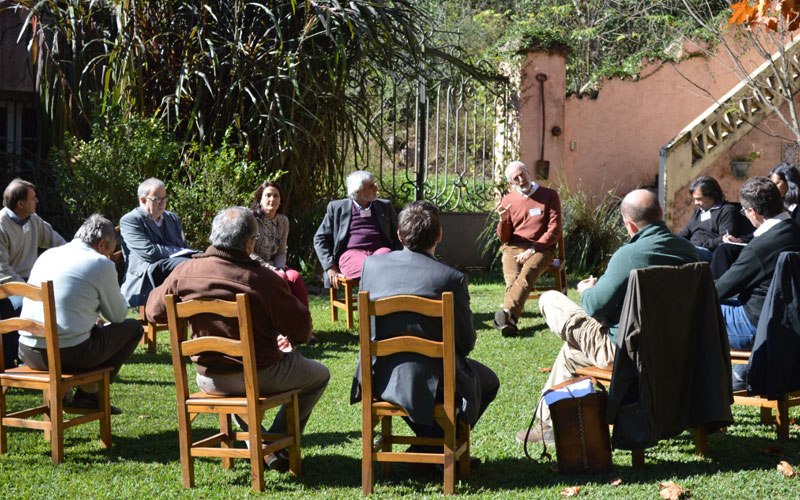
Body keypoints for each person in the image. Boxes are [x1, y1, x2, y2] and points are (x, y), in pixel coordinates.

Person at [146, 207, 329, 471]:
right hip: (259, 375)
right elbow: (301, 330)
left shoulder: (184, 272)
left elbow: (153, 312)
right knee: (319, 374)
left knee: (236, 381)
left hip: (208, 379)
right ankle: (275, 443)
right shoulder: (261, 278)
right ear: (249, 244)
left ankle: (266, 447)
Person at [517, 189, 698, 445]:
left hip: (626, 353)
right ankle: (548, 424)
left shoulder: (629, 255)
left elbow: (595, 308)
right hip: (674, 351)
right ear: (660, 215)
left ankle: (549, 426)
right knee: (571, 353)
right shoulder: (689, 252)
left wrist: (587, 290)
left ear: (629, 224)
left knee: (550, 299)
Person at [350, 200, 499, 464]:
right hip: (431, 381)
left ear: (399, 235)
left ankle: (428, 450)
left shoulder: (370, 267)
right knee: (488, 381)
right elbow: (465, 343)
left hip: (378, 376)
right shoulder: (451, 278)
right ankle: (438, 450)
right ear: (439, 235)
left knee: (437, 377)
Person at [17, 215, 142, 414]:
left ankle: (79, 392)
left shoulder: (48, 255)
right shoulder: (101, 263)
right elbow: (118, 316)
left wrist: (90, 317)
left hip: (28, 351)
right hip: (66, 355)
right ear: (102, 245)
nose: (109, 257)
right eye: (110, 252)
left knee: (87, 333)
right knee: (134, 328)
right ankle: (90, 393)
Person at [716, 177, 800, 355]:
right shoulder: (795, 230)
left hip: (758, 324)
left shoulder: (760, 246)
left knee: (693, 312)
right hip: (789, 320)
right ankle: (742, 375)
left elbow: (719, 290)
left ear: (752, 212)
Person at [0, 178, 66, 369]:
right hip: (6, 285)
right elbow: (2, 269)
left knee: (59, 299)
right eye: (33, 198)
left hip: (28, 282)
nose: (37, 201)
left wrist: (75, 257)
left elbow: (57, 242)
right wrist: (28, 291)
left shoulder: (33, 220)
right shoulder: (2, 225)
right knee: (26, 305)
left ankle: (44, 358)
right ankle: (22, 360)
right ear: (20, 204)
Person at [493, 161, 561, 337]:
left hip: (542, 248)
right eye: (516, 178)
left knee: (527, 272)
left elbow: (554, 230)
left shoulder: (549, 195)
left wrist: (532, 250)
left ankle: (507, 313)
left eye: (522, 174)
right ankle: (511, 321)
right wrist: (503, 220)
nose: (521, 179)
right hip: (513, 247)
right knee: (512, 279)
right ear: (511, 183)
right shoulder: (508, 201)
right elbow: (504, 238)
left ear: (528, 172)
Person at [313, 170, 401, 289]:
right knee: (375, 268)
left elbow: (398, 234)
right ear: (357, 191)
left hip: (380, 252)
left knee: (384, 257)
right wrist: (330, 266)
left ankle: (370, 303)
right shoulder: (337, 208)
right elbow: (320, 238)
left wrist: (398, 255)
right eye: (371, 186)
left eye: (375, 184)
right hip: (352, 254)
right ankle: (374, 303)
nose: (377, 188)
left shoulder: (384, 206)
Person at [711, 163, 800, 278]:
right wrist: (741, 239)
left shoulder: (796, 208)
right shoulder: (774, 204)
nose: (773, 187)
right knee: (725, 249)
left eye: (777, 183)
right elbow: (765, 228)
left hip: (781, 249)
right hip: (765, 242)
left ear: (789, 183)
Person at [120, 178, 195, 307]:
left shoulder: (172, 219)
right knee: (188, 264)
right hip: (147, 273)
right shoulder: (130, 220)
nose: (162, 203)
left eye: (164, 198)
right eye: (157, 199)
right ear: (143, 200)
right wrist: (177, 251)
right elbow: (150, 253)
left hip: (172, 268)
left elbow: (184, 247)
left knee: (204, 260)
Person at [250, 181, 308, 306]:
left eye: (276, 196)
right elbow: (249, 252)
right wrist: (273, 269)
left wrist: (280, 268)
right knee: (280, 278)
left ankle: (304, 320)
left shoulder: (283, 221)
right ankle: (283, 320)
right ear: (260, 199)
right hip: (254, 265)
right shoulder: (251, 219)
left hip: (276, 265)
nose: (272, 199)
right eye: (268, 195)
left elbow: (281, 251)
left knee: (295, 277)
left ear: (280, 200)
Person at [676, 175, 740, 262]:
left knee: (682, 253)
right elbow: (685, 233)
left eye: (699, 199)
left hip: (710, 253)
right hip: (692, 248)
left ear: (712, 196)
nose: (695, 203)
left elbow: (724, 240)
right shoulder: (698, 211)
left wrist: (697, 244)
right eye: (694, 199)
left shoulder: (727, 210)